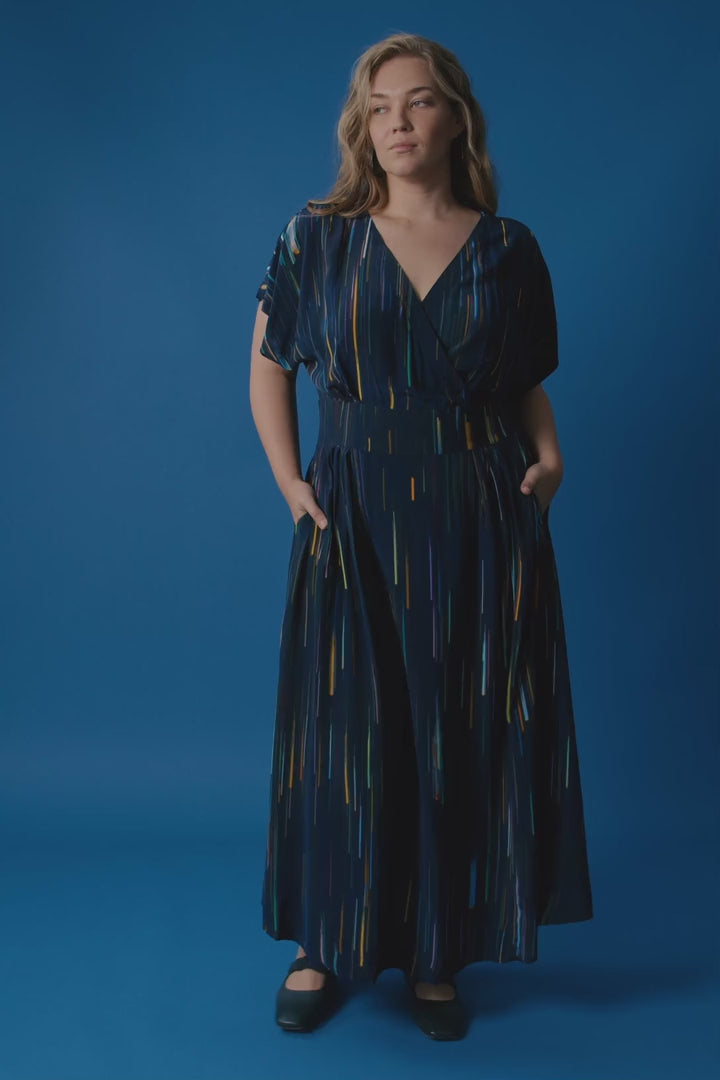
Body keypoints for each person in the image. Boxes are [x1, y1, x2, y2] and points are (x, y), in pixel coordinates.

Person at [250, 32, 593, 1040]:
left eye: (419, 101)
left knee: (457, 726)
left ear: (457, 120)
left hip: (476, 513)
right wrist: (290, 483)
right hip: (354, 508)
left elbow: (522, 381)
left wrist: (551, 458)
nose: (397, 121)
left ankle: (438, 949)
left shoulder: (509, 248)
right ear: (362, 127)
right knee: (344, 732)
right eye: (379, 105)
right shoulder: (315, 239)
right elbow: (269, 365)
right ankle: (324, 942)